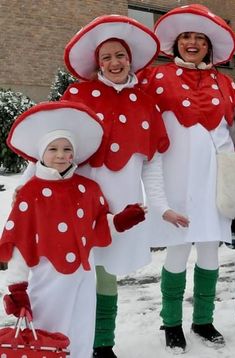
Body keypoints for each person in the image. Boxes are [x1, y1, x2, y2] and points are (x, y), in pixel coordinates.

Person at [61, 14, 190, 358]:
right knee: (73, 273)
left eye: (120, 55)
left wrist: (161, 207)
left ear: (130, 59)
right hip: (79, 203)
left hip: (123, 207)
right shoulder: (78, 94)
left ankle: (103, 343)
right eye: (106, 57)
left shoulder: (146, 104)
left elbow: (152, 165)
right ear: (97, 62)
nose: (114, 62)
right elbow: (55, 148)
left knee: (106, 276)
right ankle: (68, 339)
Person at [0, 101, 147, 358]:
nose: (60, 155)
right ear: (41, 154)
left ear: (74, 154)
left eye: (66, 149)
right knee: (47, 333)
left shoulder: (87, 189)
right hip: (48, 278)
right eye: (53, 149)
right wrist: (17, 287)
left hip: (83, 275)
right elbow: (20, 244)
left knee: (81, 331)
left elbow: (98, 227)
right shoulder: (30, 193)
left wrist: (122, 220)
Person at [138, 3, 235, 353]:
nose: (192, 43)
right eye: (185, 37)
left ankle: (204, 319)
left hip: (214, 184)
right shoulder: (155, 77)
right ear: (176, 43)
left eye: (200, 38)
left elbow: (231, 130)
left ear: (210, 46)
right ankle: (171, 322)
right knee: (177, 252)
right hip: (176, 180)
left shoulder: (225, 83)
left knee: (210, 252)